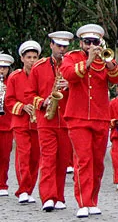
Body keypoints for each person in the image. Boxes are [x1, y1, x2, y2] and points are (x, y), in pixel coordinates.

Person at [61, 24, 118, 217]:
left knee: (98, 162)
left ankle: (93, 200)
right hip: (77, 116)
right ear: (81, 43)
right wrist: (88, 61)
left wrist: (110, 63)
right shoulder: (71, 57)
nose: (91, 45)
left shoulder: (105, 58)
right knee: (83, 159)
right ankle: (83, 201)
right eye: (87, 42)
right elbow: (68, 74)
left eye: (95, 42)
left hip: (100, 116)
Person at [29, 30, 75, 212]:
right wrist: (43, 102)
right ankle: (47, 197)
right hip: (46, 118)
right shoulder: (39, 67)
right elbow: (29, 93)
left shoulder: (71, 66)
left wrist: (71, 85)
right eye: (58, 46)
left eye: (65, 46)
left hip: (65, 119)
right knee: (48, 158)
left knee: (63, 159)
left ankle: (59, 196)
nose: (62, 49)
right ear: (51, 45)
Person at [7, 42, 40, 204]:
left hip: (37, 123)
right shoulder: (15, 77)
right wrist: (22, 107)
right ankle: (23, 189)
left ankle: (29, 189)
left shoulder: (41, 75)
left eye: (35, 57)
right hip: (20, 122)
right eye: (28, 57)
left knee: (35, 157)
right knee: (23, 154)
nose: (32, 61)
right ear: (22, 58)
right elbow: (9, 101)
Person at [0, 54, 14, 197]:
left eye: (4, 68)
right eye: (0, 67)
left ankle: (2, 184)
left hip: (6, 125)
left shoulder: (12, 82)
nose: (1, 71)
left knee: (4, 156)